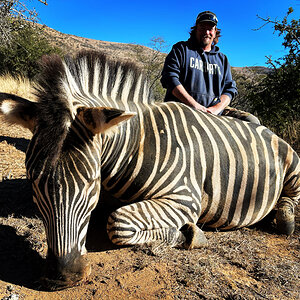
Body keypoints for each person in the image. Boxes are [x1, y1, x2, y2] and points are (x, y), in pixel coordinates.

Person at [161, 11, 260, 123]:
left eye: (210, 29)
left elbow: (230, 89)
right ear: (195, 29)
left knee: (252, 121)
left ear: (215, 31)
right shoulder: (181, 49)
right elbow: (170, 78)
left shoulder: (222, 59)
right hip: (183, 108)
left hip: (214, 112)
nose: (206, 32)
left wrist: (216, 109)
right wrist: (195, 106)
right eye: (202, 27)